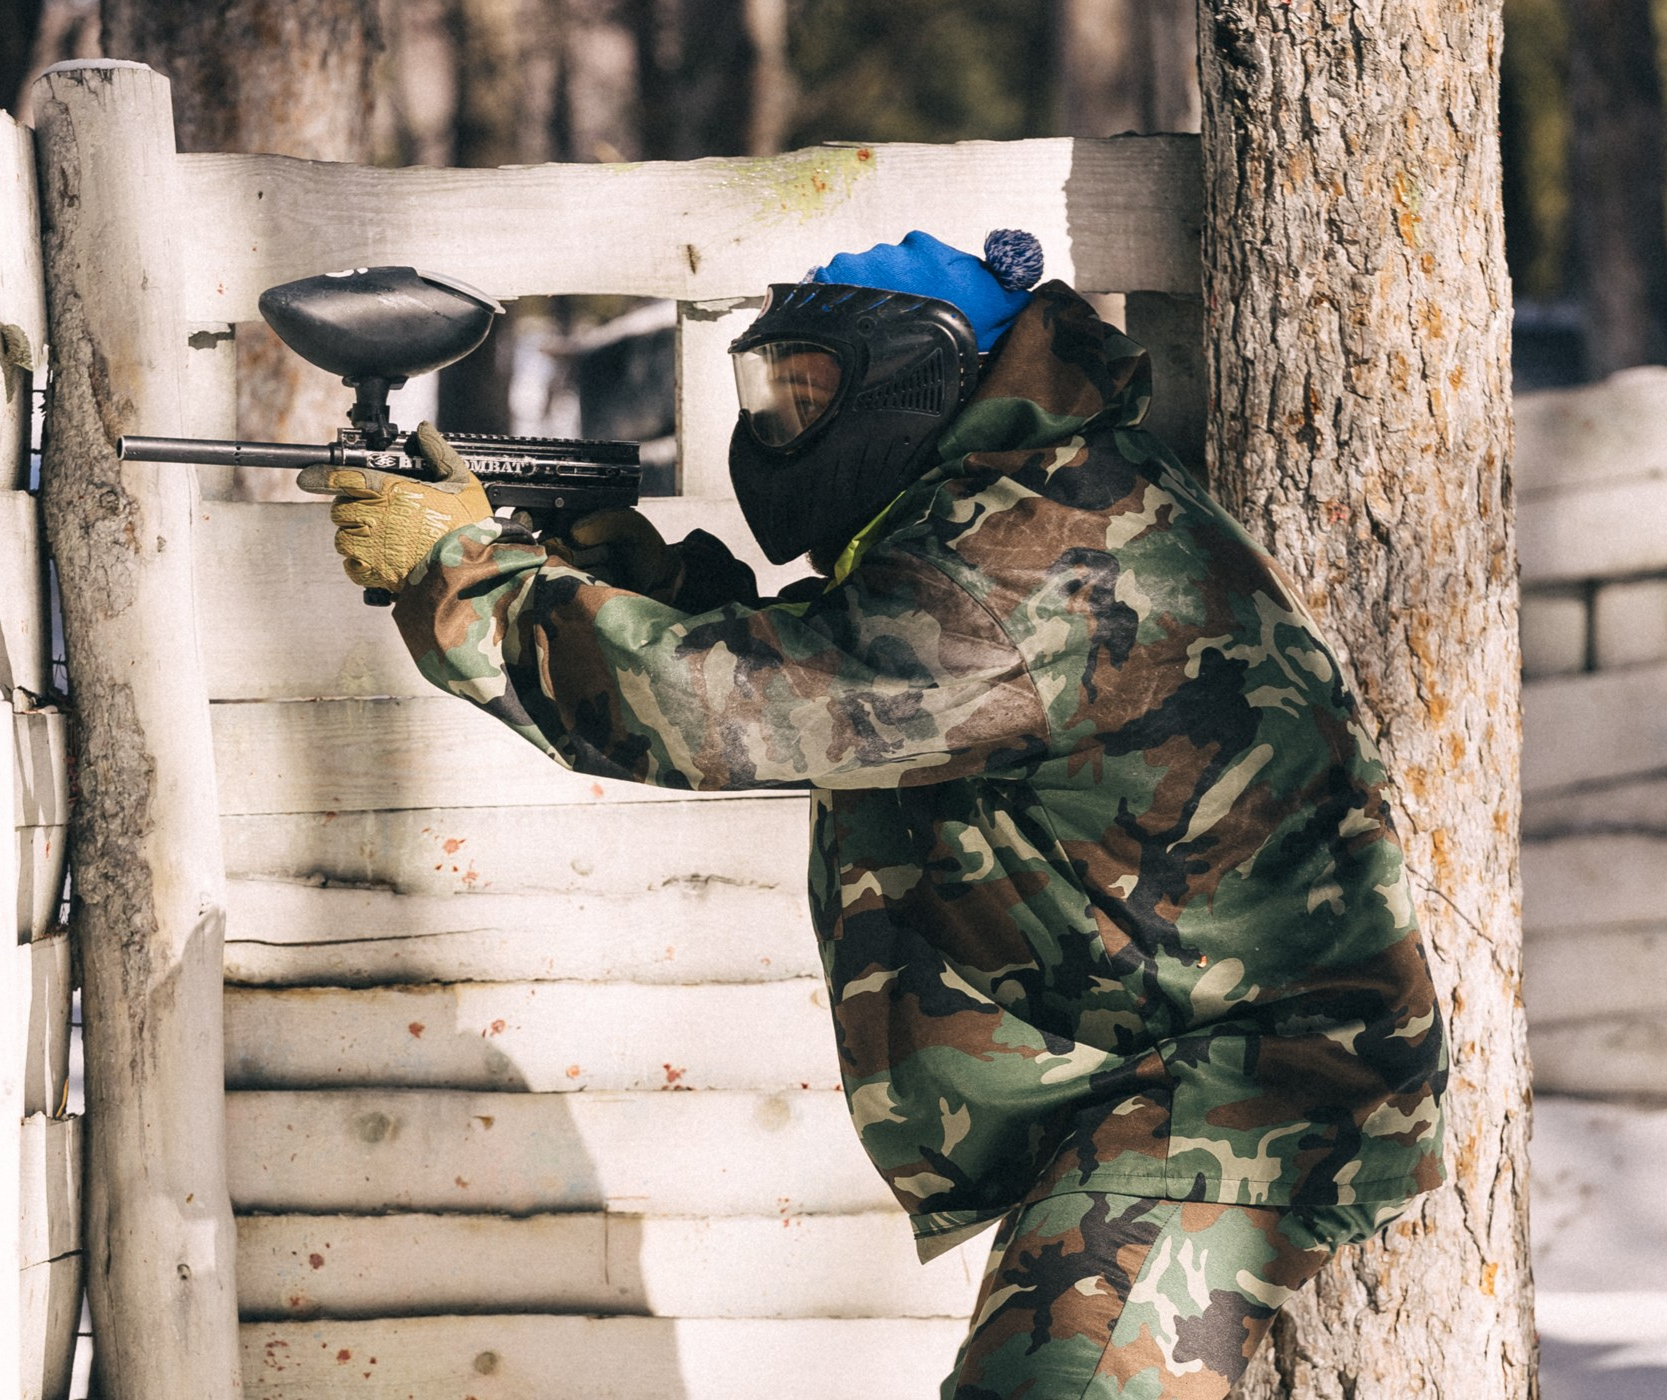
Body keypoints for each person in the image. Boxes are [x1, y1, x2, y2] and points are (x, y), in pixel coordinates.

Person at [296, 230, 1450, 1400]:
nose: (783, 428)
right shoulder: (1023, 498)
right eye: (771, 393)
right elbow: (868, 673)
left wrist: (462, 577)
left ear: (927, 371)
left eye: (811, 395)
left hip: (1248, 1083)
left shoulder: (1035, 548)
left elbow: (754, 710)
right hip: (1158, 1056)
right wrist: (661, 587)